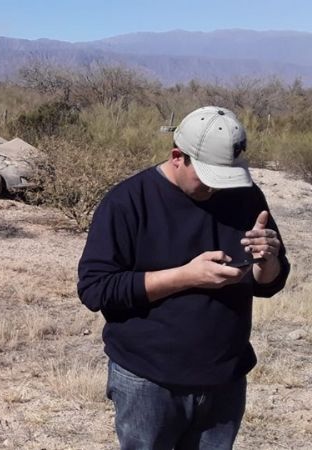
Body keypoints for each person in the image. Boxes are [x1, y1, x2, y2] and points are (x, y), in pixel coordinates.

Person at [77, 106, 291, 449]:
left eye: (225, 178)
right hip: (148, 380)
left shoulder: (245, 195)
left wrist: (268, 260)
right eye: (208, 177)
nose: (215, 188)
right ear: (178, 157)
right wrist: (187, 276)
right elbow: (95, 289)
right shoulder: (128, 202)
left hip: (225, 379)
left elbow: (268, 283)